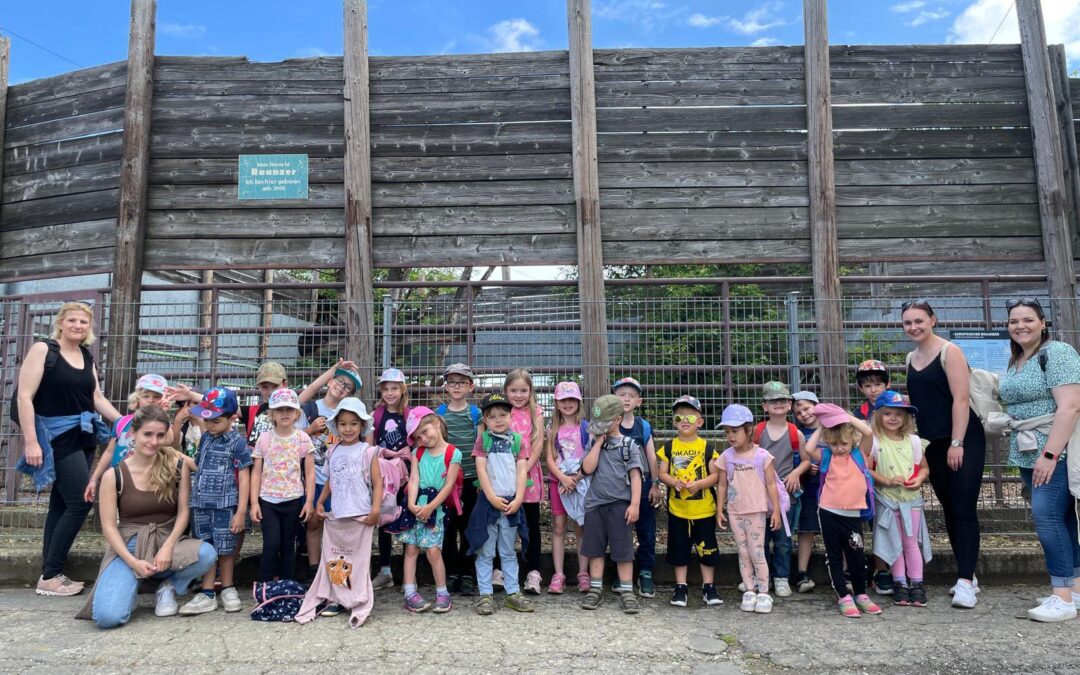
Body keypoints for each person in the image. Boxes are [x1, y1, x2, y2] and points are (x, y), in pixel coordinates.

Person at [75, 407, 217, 628]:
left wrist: (168, 546)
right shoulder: (114, 475)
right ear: (133, 433)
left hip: (167, 542)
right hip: (129, 546)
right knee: (107, 618)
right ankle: (133, 581)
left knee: (207, 554)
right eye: (148, 434)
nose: (154, 441)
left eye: (160, 435)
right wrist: (132, 562)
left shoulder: (177, 467)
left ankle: (167, 586)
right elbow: (110, 528)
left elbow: (183, 512)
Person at [16, 301, 121, 597]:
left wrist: (124, 420)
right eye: (72, 320)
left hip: (83, 434)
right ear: (61, 323)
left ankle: (49, 572)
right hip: (55, 435)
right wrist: (31, 441)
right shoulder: (43, 351)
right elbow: (25, 397)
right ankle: (50, 575)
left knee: (60, 505)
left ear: (89, 328)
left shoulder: (86, 356)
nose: (78, 326)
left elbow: (96, 397)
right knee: (80, 502)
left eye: (84, 322)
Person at [997, 298, 1080, 622]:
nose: (1020, 326)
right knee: (1063, 518)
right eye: (1014, 321)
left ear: (1043, 322)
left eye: (1028, 319)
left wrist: (1050, 454)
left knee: (1046, 518)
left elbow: (1070, 406)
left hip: (1052, 450)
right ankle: (1073, 588)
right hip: (1029, 449)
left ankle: (1061, 597)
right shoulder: (1018, 359)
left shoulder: (1057, 353)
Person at [902, 299, 986, 609]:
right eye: (908, 322)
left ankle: (965, 582)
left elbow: (960, 400)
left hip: (962, 438)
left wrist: (957, 442)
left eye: (919, 321)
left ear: (933, 320)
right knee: (950, 507)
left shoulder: (950, 352)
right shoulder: (911, 357)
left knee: (964, 507)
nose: (914, 327)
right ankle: (969, 573)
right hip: (931, 443)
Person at [299, 397, 380, 627]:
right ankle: (335, 598)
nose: (348, 429)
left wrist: (375, 511)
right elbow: (330, 480)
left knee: (358, 561)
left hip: (361, 516)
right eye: (343, 424)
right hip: (338, 515)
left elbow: (378, 482)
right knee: (335, 559)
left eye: (354, 424)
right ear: (337, 426)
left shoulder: (368, 451)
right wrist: (321, 501)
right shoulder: (332, 450)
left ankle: (355, 598)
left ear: (362, 426)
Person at [174, 386, 252, 615]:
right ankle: (207, 592)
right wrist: (179, 457)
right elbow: (200, 465)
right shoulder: (206, 438)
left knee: (226, 550)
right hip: (201, 504)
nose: (209, 425)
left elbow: (245, 476)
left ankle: (228, 587)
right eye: (206, 420)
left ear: (231, 418)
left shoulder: (237, 443)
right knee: (206, 548)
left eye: (216, 421)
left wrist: (240, 511)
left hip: (225, 506)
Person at [805, 404, 882, 618]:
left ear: (852, 441)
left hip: (853, 515)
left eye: (844, 443)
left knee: (857, 556)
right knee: (834, 556)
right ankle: (843, 595)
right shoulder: (827, 456)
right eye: (835, 443)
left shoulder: (859, 454)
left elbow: (868, 432)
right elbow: (809, 449)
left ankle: (860, 593)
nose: (840, 448)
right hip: (829, 513)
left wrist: (845, 417)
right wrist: (821, 427)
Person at [466, 393, 533, 615]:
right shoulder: (483, 440)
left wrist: (519, 498)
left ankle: (513, 592)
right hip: (488, 504)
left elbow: (522, 469)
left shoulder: (517, 441)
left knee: (508, 550)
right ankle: (485, 594)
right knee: (485, 550)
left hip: (512, 504)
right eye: (492, 416)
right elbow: (481, 469)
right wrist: (492, 497)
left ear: (511, 416)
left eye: (503, 414)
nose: (498, 419)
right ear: (485, 419)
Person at [867, 391, 932, 608]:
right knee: (894, 543)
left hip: (910, 500)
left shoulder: (914, 441)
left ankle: (917, 583)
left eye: (899, 414)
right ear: (878, 416)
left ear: (906, 418)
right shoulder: (875, 442)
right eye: (888, 414)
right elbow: (866, 470)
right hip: (887, 500)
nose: (893, 418)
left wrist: (919, 479)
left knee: (911, 543)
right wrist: (885, 480)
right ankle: (900, 583)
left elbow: (923, 467)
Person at [297, 359, 361, 580]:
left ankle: (338, 571)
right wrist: (310, 430)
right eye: (340, 381)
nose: (341, 387)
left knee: (338, 526)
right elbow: (293, 440)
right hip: (313, 478)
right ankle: (315, 570)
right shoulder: (311, 408)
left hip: (338, 481)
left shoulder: (347, 415)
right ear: (331, 380)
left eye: (348, 388)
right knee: (314, 521)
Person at [715, 404, 782, 614]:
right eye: (727, 432)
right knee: (743, 552)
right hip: (735, 511)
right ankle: (750, 590)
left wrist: (777, 511)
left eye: (735, 431)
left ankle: (764, 592)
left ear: (749, 430)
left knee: (757, 551)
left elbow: (771, 484)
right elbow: (722, 484)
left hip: (757, 511)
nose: (730, 436)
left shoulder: (762, 456)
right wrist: (720, 510)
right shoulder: (726, 457)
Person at [579, 394, 643, 614]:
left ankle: (627, 590)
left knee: (623, 550)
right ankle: (596, 588)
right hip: (595, 505)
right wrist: (597, 443)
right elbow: (587, 469)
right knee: (595, 549)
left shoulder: (629, 446)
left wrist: (634, 505)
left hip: (619, 506)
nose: (600, 429)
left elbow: (636, 476)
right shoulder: (593, 442)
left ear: (617, 420)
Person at [656, 395, 721, 608]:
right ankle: (680, 586)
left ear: (700, 422)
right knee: (679, 550)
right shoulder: (668, 447)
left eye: (690, 418)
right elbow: (662, 473)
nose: (685, 421)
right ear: (674, 421)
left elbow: (716, 475)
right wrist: (673, 481)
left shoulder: (707, 447)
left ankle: (708, 586)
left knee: (707, 549)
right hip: (678, 511)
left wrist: (701, 484)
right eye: (679, 417)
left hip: (704, 511)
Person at [398, 407, 461, 614]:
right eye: (418, 437)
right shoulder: (418, 452)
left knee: (434, 551)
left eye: (425, 432)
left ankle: (442, 592)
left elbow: (448, 485)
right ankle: (409, 591)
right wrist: (411, 504)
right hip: (416, 507)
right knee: (411, 548)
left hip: (436, 509)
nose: (423, 438)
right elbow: (414, 478)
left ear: (436, 424)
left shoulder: (453, 453)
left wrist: (431, 507)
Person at [250, 388, 315, 582]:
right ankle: (266, 586)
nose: (285, 413)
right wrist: (254, 502)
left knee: (288, 544)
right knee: (271, 544)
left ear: (297, 413)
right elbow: (256, 472)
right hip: (268, 500)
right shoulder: (264, 439)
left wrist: (309, 501)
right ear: (271, 414)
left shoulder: (303, 439)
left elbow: (310, 473)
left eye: (289, 409)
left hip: (293, 499)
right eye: (279, 410)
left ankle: (287, 586)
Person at [85, 374, 171, 504]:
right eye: (146, 396)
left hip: (146, 479)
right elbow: (109, 452)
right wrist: (94, 478)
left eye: (157, 397)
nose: (151, 400)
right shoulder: (122, 422)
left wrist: (163, 413)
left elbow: (169, 440)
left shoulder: (163, 425)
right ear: (137, 398)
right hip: (119, 477)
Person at [436, 363, 483, 597]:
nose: (456, 386)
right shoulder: (440, 414)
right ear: (446, 386)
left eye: (462, 382)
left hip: (471, 479)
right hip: (447, 481)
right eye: (452, 382)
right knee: (447, 527)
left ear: (470, 387)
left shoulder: (475, 414)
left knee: (467, 528)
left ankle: (467, 572)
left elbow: (481, 445)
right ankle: (451, 571)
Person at [612, 376, 661, 598]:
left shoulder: (643, 426)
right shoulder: (610, 423)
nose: (626, 399)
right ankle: (621, 573)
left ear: (639, 401)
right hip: (617, 488)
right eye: (622, 394)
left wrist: (655, 484)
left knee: (646, 530)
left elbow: (651, 457)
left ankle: (646, 572)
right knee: (620, 532)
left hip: (642, 486)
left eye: (631, 395)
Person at [755, 381, 805, 598]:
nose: (778, 404)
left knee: (784, 540)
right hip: (760, 495)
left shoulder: (796, 433)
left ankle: (781, 577)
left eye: (783, 400)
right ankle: (760, 577)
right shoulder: (757, 432)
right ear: (765, 406)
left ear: (789, 404)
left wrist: (796, 473)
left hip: (786, 497)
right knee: (761, 539)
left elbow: (805, 460)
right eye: (773, 400)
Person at [853, 359, 895, 596]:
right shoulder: (859, 413)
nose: (873, 389)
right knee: (864, 522)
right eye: (867, 385)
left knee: (885, 524)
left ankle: (886, 569)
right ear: (860, 388)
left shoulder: (898, 407)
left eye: (878, 384)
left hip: (892, 470)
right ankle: (866, 569)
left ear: (887, 384)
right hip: (866, 473)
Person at [544, 381, 589, 594]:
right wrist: (563, 478)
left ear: (579, 402)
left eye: (572, 399)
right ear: (557, 402)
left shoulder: (586, 428)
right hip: (558, 483)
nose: (568, 403)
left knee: (581, 526)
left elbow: (590, 458)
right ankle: (558, 573)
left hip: (581, 483)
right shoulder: (552, 429)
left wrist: (577, 478)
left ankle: (583, 573)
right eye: (564, 399)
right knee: (559, 527)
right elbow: (550, 458)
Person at [503, 368, 546, 594]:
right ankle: (503, 571)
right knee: (503, 523)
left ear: (530, 391)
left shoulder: (536, 411)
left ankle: (533, 572)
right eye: (513, 390)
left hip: (529, 475)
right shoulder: (502, 411)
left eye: (523, 390)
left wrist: (525, 468)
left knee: (530, 524)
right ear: (505, 391)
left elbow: (538, 442)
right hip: (504, 476)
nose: (518, 395)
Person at [370, 367, 411, 590]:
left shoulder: (409, 414)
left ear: (402, 389)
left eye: (394, 388)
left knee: (406, 518)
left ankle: (407, 574)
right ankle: (385, 570)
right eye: (385, 389)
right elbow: (372, 442)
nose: (390, 393)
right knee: (384, 518)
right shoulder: (376, 414)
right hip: (384, 474)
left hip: (405, 472)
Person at [791, 391, 823, 593]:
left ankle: (845, 572)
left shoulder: (835, 428)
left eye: (806, 408)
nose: (803, 414)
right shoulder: (798, 434)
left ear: (817, 405)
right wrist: (804, 467)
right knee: (806, 529)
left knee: (838, 532)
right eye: (798, 412)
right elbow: (794, 458)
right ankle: (802, 572)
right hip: (809, 490)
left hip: (835, 489)